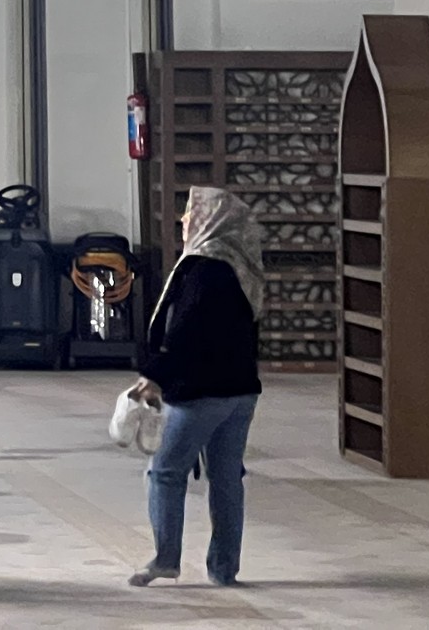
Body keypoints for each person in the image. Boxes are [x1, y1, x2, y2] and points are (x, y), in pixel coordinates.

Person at [128, 185, 264, 588]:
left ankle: (166, 558)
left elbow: (185, 332)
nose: (185, 220)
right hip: (241, 390)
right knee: (226, 478)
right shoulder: (241, 267)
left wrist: (156, 376)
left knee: (165, 472)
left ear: (211, 221)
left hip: (202, 392)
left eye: (192, 213)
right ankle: (224, 568)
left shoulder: (203, 270)